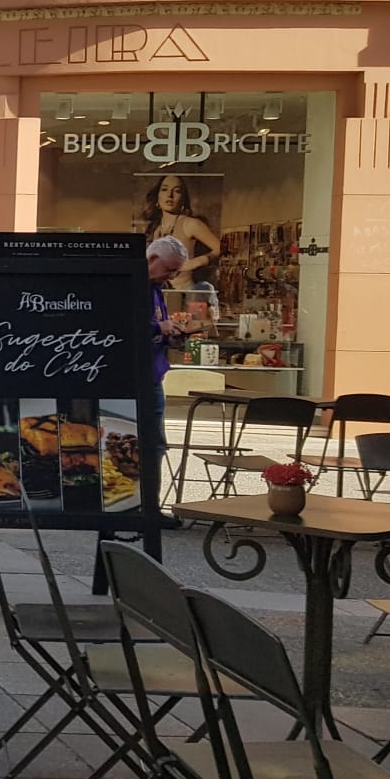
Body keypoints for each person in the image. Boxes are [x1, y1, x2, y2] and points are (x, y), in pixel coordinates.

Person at [146, 236, 193, 526]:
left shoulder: (157, 289)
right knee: (149, 444)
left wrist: (170, 334)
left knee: (155, 445)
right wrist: (157, 326)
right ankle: (144, 508)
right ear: (152, 259)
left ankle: (148, 505)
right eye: (170, 269)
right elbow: (118, 324)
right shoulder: (132, 286)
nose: (173, 276)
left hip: (153, 373)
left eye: (177, 271)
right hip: (136, 376)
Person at [136, 175, 219, 288]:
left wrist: (197, 262)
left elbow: (221, 248)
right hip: (160, 291)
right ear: (157, 198)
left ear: (183, 199)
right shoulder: (156, 228)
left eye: (177, 191)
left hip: (185, 293)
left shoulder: (190, 224)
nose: (170, 195)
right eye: (164, 189)